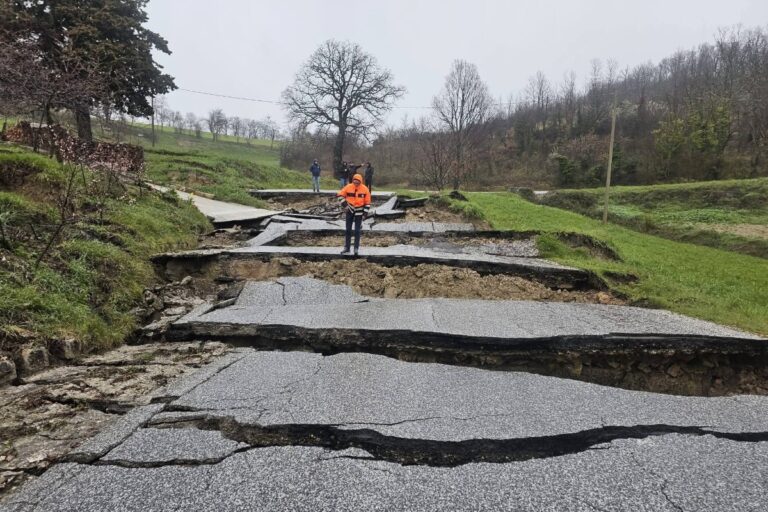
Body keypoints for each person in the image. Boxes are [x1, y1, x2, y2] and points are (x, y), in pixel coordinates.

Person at [337, 173, 371, 256]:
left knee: (357, 231)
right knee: (348, 230)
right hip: (349, 211)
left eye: (357, 182)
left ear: (360, 182)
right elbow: (340, 195)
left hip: (359, 212)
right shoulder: (348, 187)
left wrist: (365, 214)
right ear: (353, 181)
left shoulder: (365, 189)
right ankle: (347, 248)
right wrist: (345, 205)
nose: (356, 183)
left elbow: (367, 202)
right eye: (354, 182)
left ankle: (356, 248)